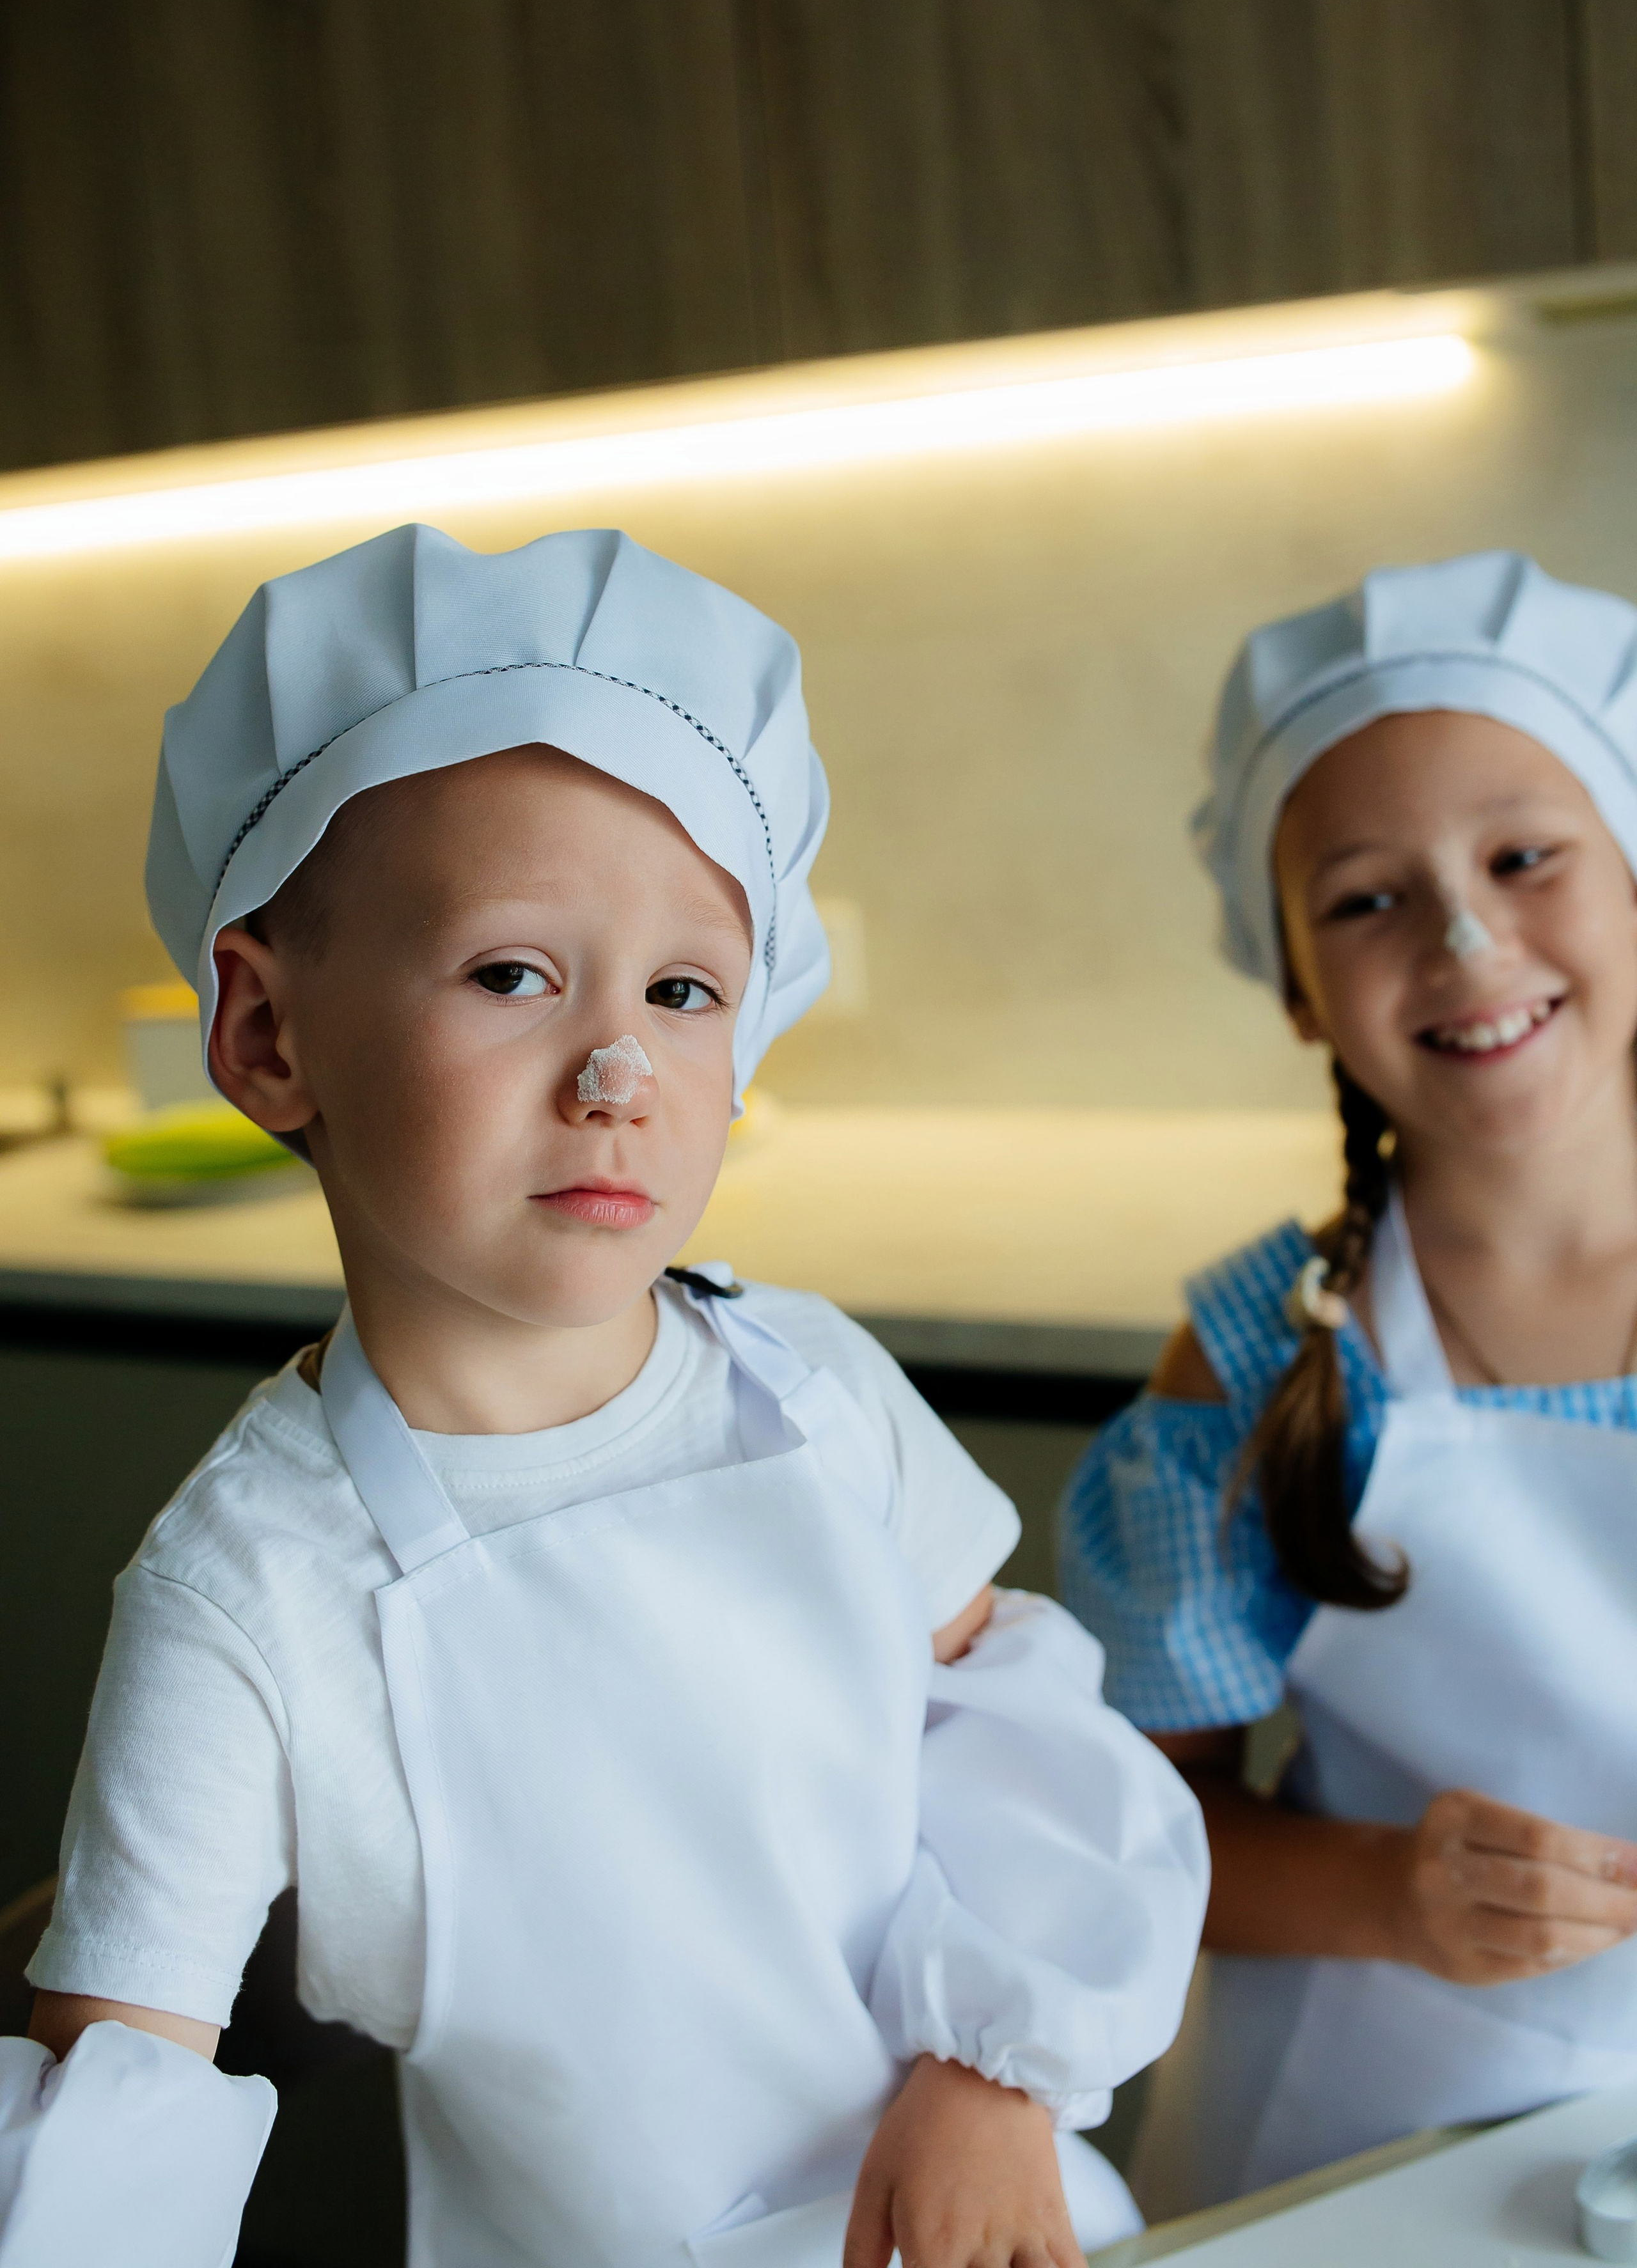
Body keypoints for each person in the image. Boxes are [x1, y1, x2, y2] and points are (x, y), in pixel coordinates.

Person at [1, 524, 1207, 2268]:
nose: (620, 1070)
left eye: (685, 990)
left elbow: (1015, 1738)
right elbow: (122, 2093)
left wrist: (994, 2074)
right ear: (266, 1036)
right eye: (512, 974)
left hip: (971, 2220)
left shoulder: (816, 1393)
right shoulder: (244, 1591)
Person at [1060, 549, 1637, 2210]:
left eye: (1527, 857)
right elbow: (1140, 1829)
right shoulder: (1261, 1360)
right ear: (1301, 990)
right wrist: (1396, 1896)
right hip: (1372, 2146)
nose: (1465, 937)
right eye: (1368, 896)